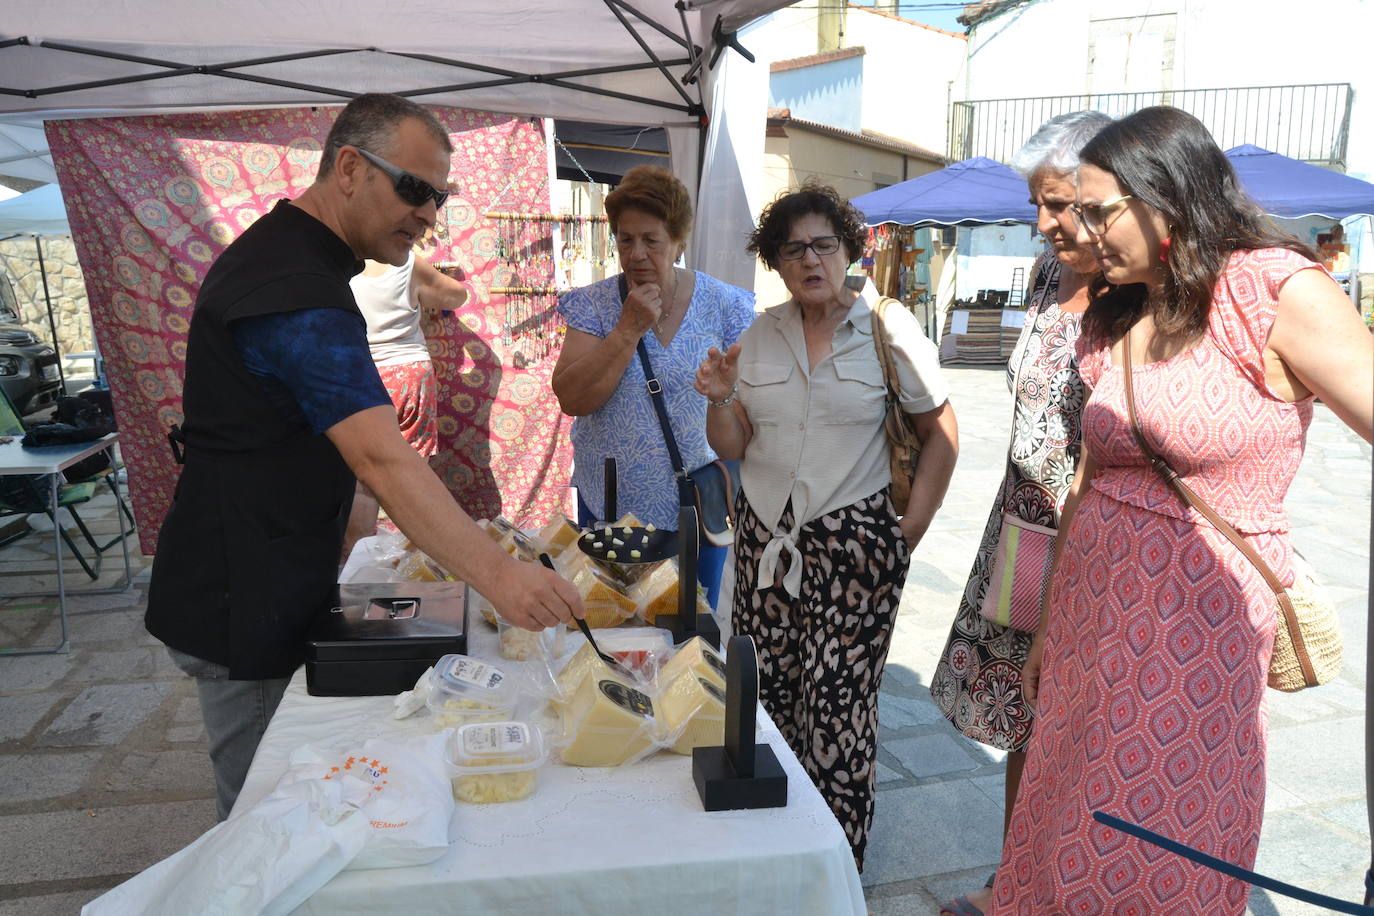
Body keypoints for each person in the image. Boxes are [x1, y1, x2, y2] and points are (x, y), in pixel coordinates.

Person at [145, 93, 582, 821]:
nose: (427, 214)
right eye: (414, 189)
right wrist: (501, 576)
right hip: (244, 598)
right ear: (349, 168)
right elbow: (383, 459)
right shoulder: (293, 290)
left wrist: (348, 512)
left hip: (266, 572)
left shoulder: (300, 262)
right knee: (268, 822)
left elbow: (296, 427)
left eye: (438, 197)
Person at [992, 107, 1374, 914]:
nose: (1080, 230)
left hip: (1196, 630)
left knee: (1165, 836)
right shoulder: (1119, 304)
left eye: (1098, 211)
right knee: (1067, 820)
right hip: (1092, 618)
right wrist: (1050, 623)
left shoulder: (1271, 287)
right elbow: (1090, 474)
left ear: (1164, 197)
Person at [696, 182, 959, 870]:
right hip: (765, 546)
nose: (810, 260)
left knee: (838, 710)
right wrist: (720, 399)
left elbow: (941, 433)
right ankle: (775, 855)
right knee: (766, 701)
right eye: (793, 250)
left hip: (855, 549)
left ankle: (833, 866)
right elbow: (733, 443)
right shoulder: (760, 335)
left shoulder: (887, 328)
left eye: (823, 244)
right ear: (776, 262)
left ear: (848, 249)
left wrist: (906, 535)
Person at [930, 110, 1112, 916]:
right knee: (1022, 721)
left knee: (1084, 726)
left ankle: (1069, 891)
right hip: (1022, 530)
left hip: (1094, 537)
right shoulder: (1046, 273)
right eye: (1036, 203)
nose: (1042, 223)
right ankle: (1017, 885)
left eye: (1058, 204)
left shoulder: (1138, 295)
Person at [552, 165, 754, 607]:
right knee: (612, 620)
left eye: (651, 240)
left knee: (693, 623)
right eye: (625, 240)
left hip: (696, 506)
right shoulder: (594, 305)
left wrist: (725, 395)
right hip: (612, 507)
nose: (637, 254)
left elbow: (750, 407)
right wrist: (627, 329)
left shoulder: (725, 305)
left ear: (679, 242)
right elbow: (572, 398)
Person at [341, 252, 469, 559]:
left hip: (362, 371)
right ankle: (413, 559)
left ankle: (359, 559)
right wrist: (425, 291)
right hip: (409, 374)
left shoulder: (338, 266)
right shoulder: (407, 263)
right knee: (413, 473)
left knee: (361, 475)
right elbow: (457, 295)